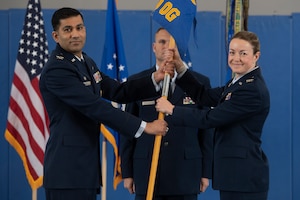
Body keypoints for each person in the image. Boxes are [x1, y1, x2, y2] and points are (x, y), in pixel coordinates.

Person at [39, 7, 174, 200]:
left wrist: (155, 78)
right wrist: (145, 127)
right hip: (67, 172)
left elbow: (118, 91)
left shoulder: (85, 61)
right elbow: (95, 106)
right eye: (68, 29)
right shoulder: (57, 70)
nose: (75, 34)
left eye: (79, 27)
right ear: (55, 35)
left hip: (85, 170)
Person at [156, 31, 270, 200]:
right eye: (232, 52)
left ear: (256, 56)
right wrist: (180, 67)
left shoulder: (251, 89)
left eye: (243, 53)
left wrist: (172, 110)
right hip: (236, 177)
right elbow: (205, 95)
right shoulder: (238, 83)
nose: (235, 58)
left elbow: (210, 118)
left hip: (244, 177)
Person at [120, 27, 214, 200]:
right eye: (162, 42)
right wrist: (127, 172)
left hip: (186, 173)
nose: (167, 47)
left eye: (173, 43)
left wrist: (205, 171)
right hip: (147, 172)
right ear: (154, 47)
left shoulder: (200, 83)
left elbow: (207, 130)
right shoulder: (136, 82)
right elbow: (127, 129)